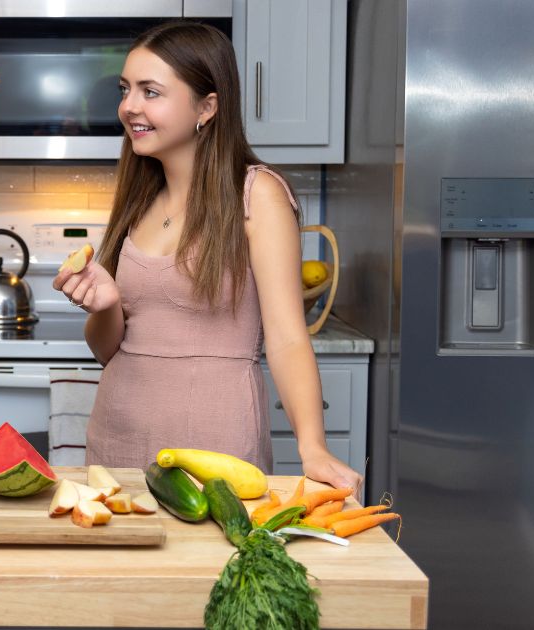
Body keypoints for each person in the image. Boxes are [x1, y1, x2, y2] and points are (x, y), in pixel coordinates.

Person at [53, 22, 362, 493]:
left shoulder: (257, 195)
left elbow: (286, 339)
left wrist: (312, 447)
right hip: (116, 441)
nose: (129, 106)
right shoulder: (138, 198)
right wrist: (106, 304)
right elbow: (106, 350)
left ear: (207, 106)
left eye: (151, 91)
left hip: (215, 444)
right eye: (126, 90)